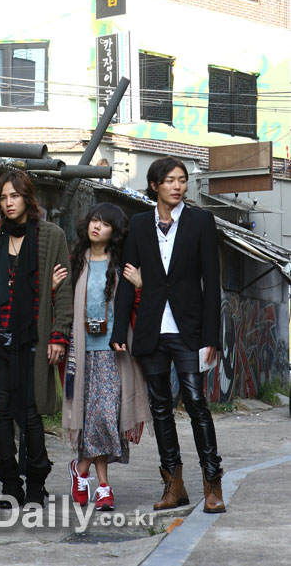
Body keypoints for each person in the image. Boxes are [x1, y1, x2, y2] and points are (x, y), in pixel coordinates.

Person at [110, 156, 226, 514]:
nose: (178, 186)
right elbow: (127, 279)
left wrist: (212, 337)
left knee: (196, 403)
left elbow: (212, 282)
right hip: (151, 329)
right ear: (155, 185)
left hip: (189, 330)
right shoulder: (139, 224)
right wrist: (119, 329)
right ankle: (173, 485)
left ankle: (212, 483)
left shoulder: (200, 221)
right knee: (160, 408)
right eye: (170, 180)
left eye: (182, 180)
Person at [0, 170, 73, 508]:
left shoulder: (51, 236)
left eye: (14, 196)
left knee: (30, 412)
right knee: (1, 413)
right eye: (3, 198)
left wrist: (58, 335)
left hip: (33, 339)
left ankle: (36, 483)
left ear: (27, 198)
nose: (8, 203)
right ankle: (10, 484)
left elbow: (63, 291)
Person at [62, 203, 151, 511]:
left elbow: (142, 304)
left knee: (105, 417)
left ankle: (81, 469)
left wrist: (140, 285)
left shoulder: (121, 266)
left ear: (115, 232)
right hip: (81, 353)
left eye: (104, 223)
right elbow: (62, 304)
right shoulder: (76, 262)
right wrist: (55, 288)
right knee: (93, 419)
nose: (96, 226)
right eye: (93, 220)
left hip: (113, 352)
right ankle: (103, 487)